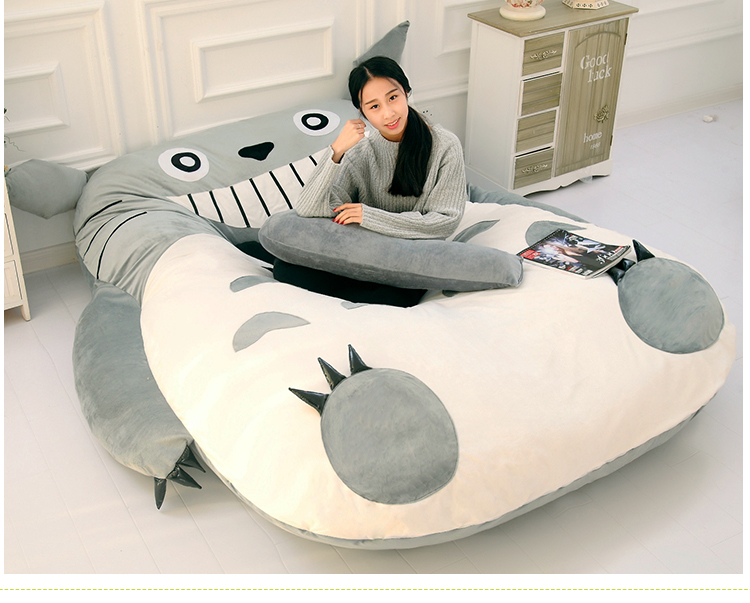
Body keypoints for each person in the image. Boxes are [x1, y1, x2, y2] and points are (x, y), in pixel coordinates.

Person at [273, 55, 468, 306]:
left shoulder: (445, 145)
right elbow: (308, 208)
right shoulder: (361, 153)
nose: (388, 113)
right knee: (286, 269)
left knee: (392, 299)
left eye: (393, 98)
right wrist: (336, 151)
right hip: (364, 257)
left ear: (406, 92)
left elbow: (444, 222)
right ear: (362, 112)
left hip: (409, 263)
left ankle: (353, 301)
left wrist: (369, 216)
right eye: (374, 106)